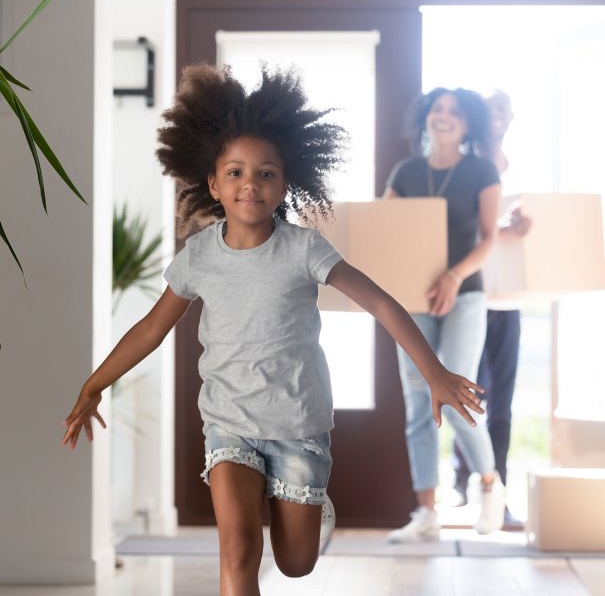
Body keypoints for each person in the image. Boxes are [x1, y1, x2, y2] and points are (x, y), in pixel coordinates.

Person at [62, 64, 485, 594]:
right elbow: (151, 328)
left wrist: (435, 372)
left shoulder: (303, 248)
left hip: (298, 427)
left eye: (266, 173)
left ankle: (306, 511)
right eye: (235, 172)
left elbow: (379, 302)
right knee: (238, 548)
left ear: (286, 182)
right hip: (228, 424)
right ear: (213, 183)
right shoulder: (198, 258)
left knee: (295, 563)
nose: (250, 184)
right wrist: (94, 383)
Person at [383, 87, 506, 541]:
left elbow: (489, 238)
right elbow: (384, 226)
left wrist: (453, 276)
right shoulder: (407, 172)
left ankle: (490, 487)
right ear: (425, 118)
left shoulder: (481, 169)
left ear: (468, 122)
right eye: (437, 109)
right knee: (418, 404)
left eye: (454, 111)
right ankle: (426, 514)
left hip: (465, 296)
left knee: (456, 397)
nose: (444, 116)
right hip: (412, 300)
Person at [450, 90, 532, 523]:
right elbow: (464, 225)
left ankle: (498, 490)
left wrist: (523, 225)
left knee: (503, 401)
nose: (497, 116)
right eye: (491, 109)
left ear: (511, 116)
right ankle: (461, 482)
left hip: (509, 298)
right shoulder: (465, 168)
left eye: (504, 108)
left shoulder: (518, 172)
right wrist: (501, 227)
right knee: (465, 394)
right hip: (470, 295)